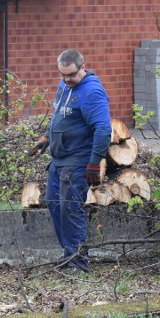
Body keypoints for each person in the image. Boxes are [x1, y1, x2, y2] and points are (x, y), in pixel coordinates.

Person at [29, 49, 112, 272]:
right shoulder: (65, 86)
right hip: (58, 159)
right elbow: (58, 116)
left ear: (82, 66)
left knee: (71, 209)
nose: (66, 79)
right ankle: (68, 255)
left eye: (71, 75)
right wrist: (47, 136)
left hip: (77, 161)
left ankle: (78, 262)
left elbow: (103, 129)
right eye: (62, 75)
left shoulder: (92, 92)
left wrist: (94, 163)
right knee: (55, 206)